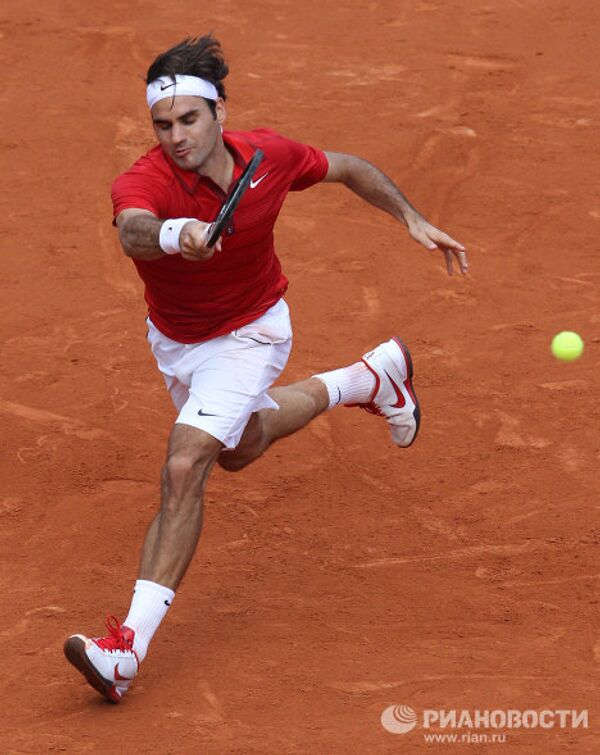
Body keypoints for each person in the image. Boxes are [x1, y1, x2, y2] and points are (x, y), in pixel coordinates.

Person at [64, 35, 468, 704]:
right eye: (163, 125)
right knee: (239, 449)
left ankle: (125, 649)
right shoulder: (145, 181)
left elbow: (346, 166)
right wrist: (177, 234)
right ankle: (368, 379)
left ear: (220, 113)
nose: (176, 137)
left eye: (189, 119)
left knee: (187, 462)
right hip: (177, 342)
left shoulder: (267, 157)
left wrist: (411, 217)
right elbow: (134, 227)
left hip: (251, 333)